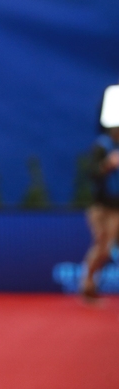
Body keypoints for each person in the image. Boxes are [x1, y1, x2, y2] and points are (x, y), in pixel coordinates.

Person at [81, 126, 119, 300]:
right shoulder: (102, 147)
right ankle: (87, 285)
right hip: (99, 206)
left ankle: (89, 283)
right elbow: (91, 173)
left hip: (116, 209)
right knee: (100, 243)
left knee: (106, 250)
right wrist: (107, 165)